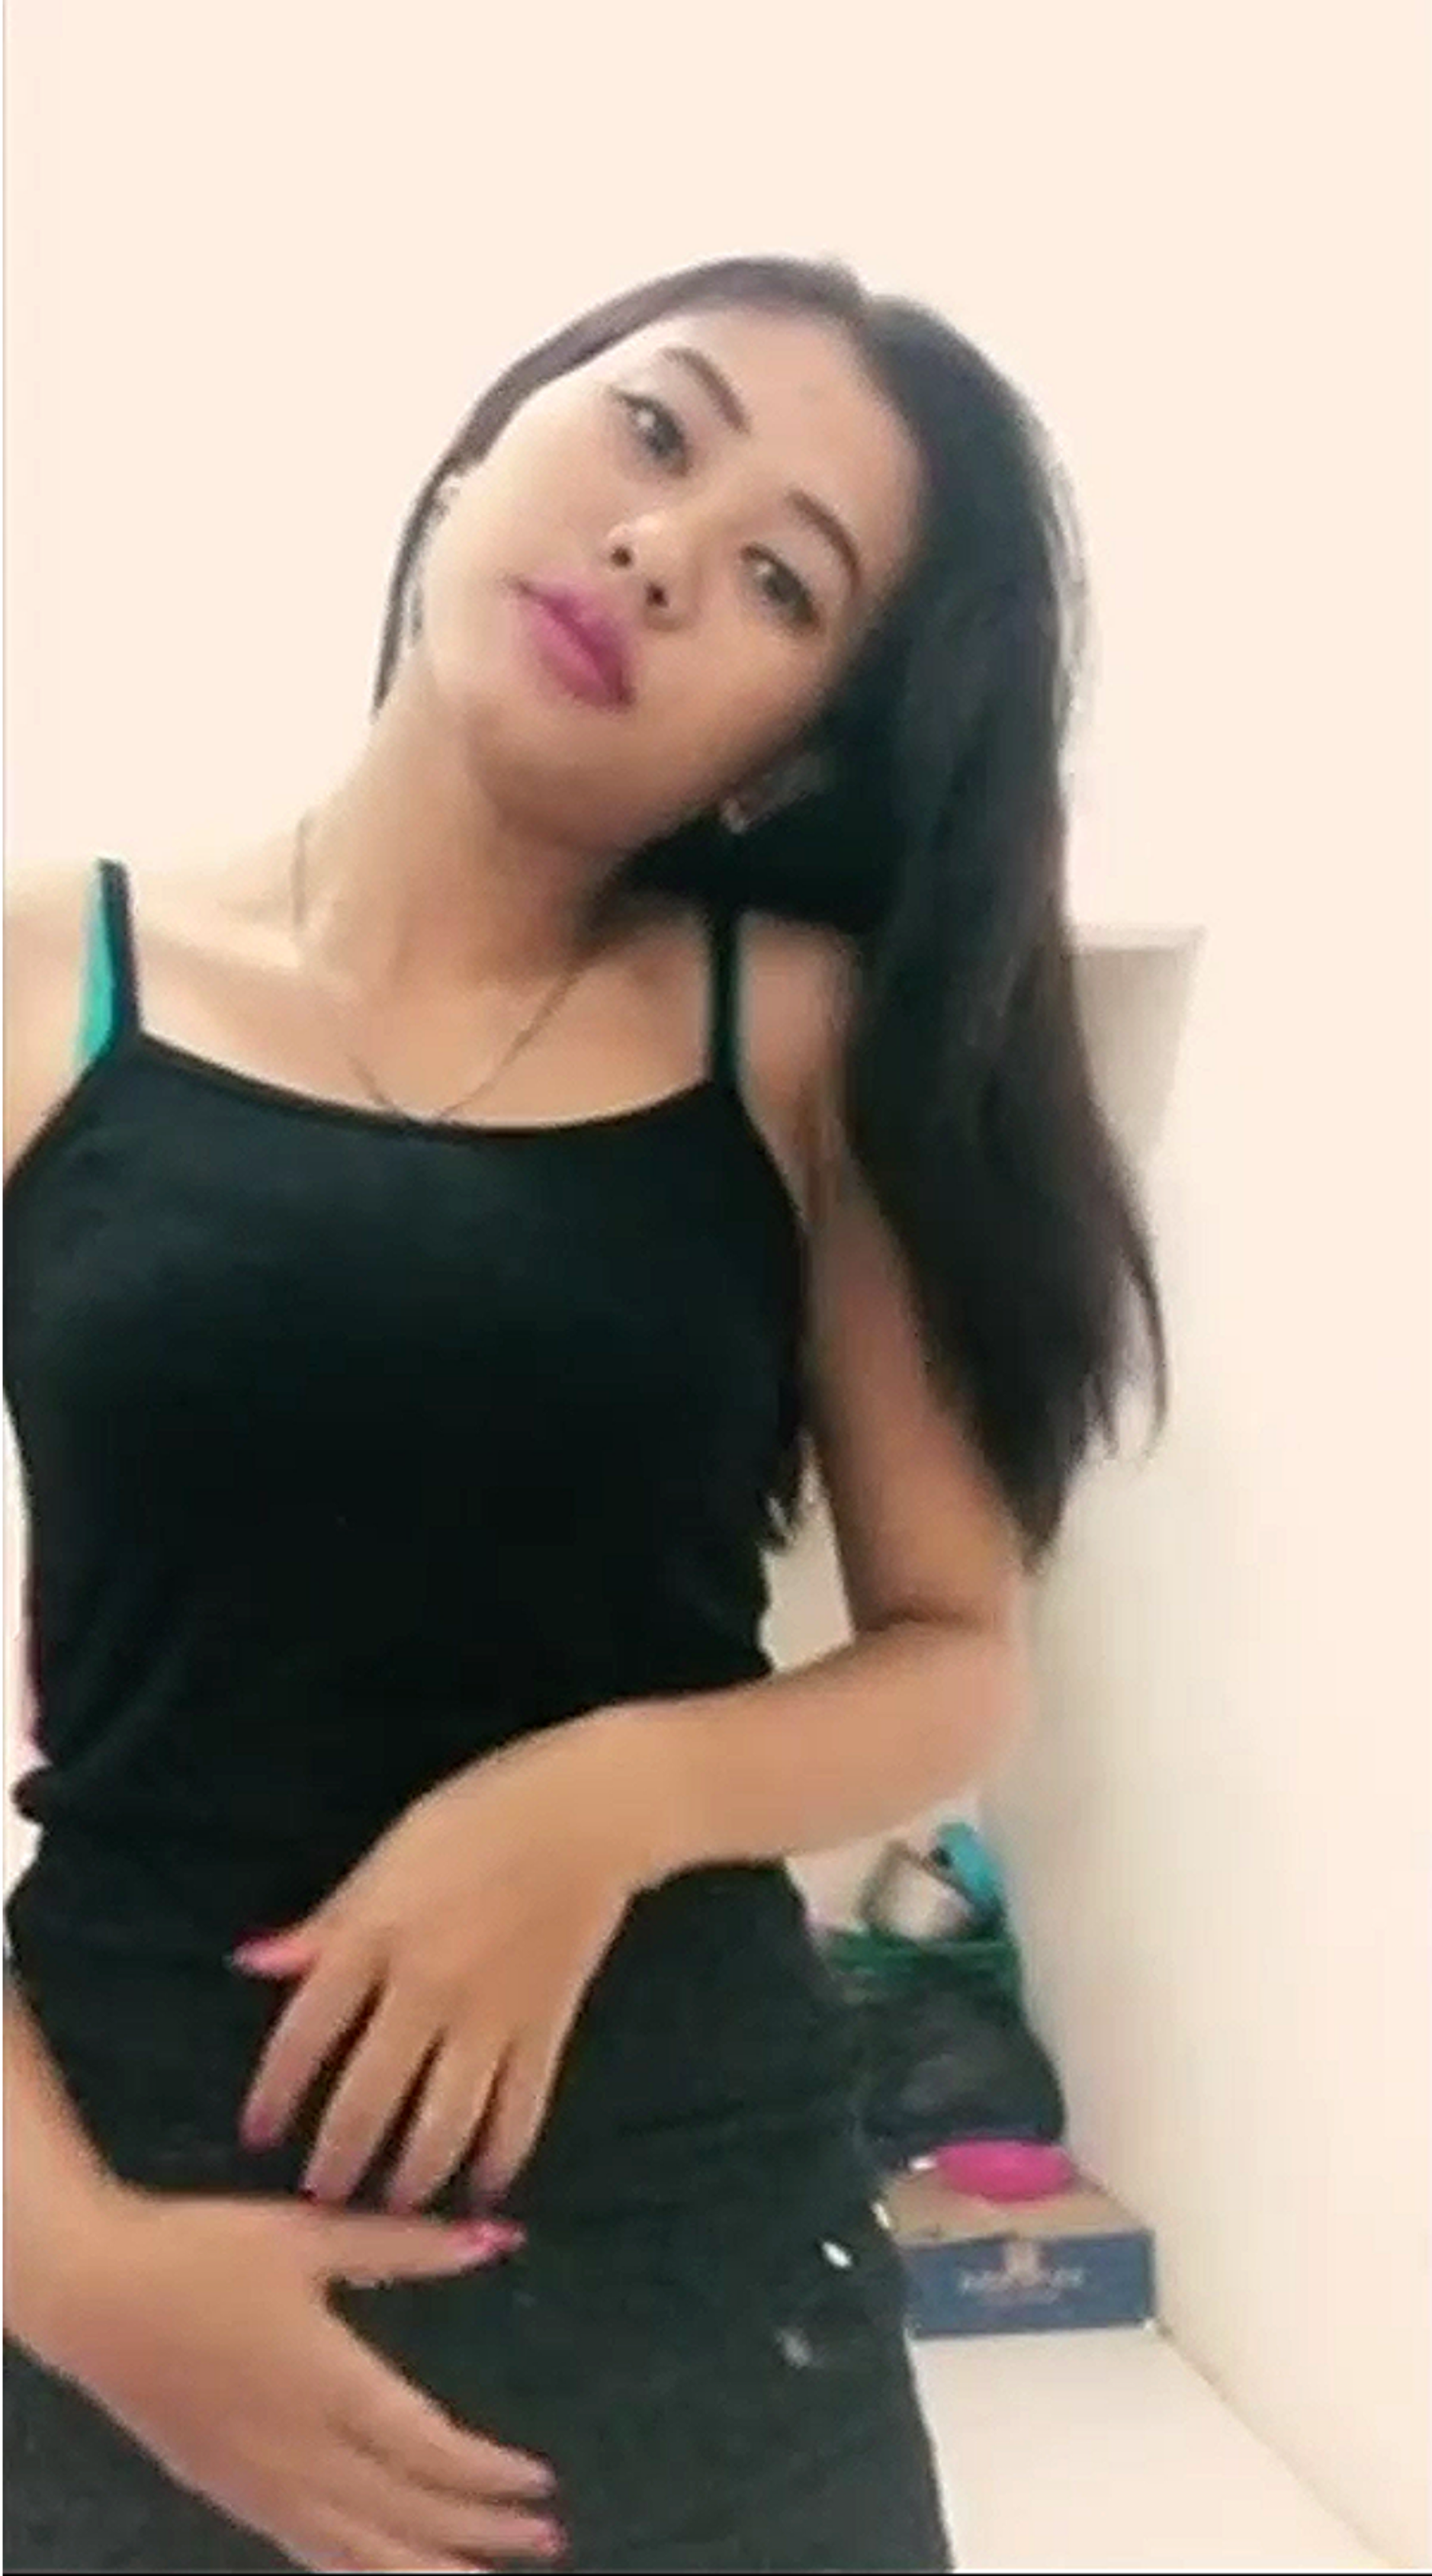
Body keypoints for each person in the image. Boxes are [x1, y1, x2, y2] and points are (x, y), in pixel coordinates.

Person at [0, 255, 1164, 2574]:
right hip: (118, 2220)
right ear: (480, 446)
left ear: (786, 753)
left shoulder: (796, 1041)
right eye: (654, 430)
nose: (662, 548)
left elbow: (958, 1652)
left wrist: (597, 1803)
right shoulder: (47, 977)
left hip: (695, 2270)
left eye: (783, 580)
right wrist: (81, 2279)